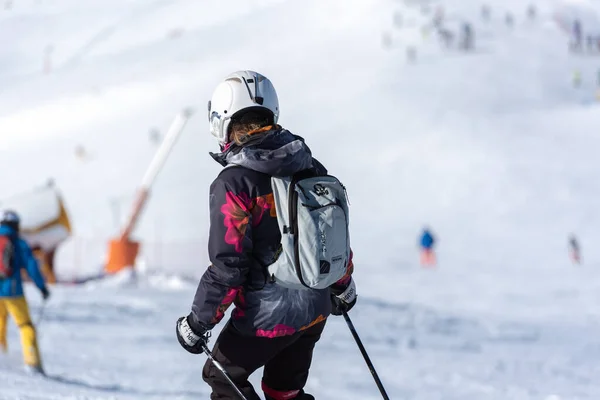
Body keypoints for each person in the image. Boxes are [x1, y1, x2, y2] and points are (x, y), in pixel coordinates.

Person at [175, 71, 356, 400]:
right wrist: (343, 287)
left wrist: (198, 322)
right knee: (282, 390)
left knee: (220, 376)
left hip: (268, 318)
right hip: (315, 307)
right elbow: (330, 235)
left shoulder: (233, 184)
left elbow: (228, 267)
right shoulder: (310, 165)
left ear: (222, 123)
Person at [0, 210, 50, 374]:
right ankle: (32, 362)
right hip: (13, 292)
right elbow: (32, 267)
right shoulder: (19, 243)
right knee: (25, 326)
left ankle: (2, 361)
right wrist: (41, 287)